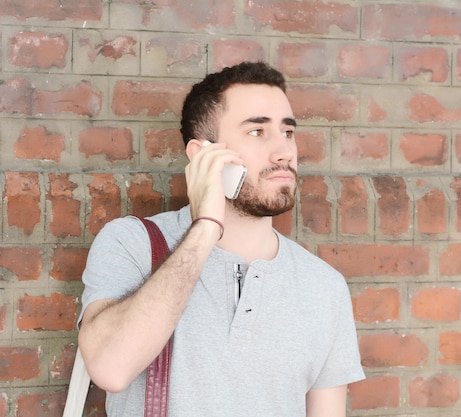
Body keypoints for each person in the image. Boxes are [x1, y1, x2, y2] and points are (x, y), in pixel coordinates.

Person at [77, 61, 365, 416]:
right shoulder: (132, 243)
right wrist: (206, 227)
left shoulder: (325, 287)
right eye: (257, 132)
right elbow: (110, 369)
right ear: (203, 156)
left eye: (288, 132)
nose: (284, 152)